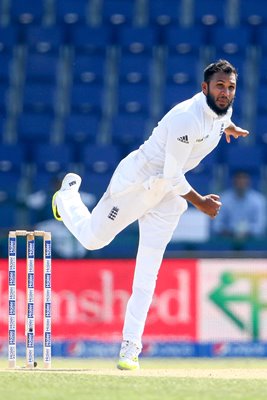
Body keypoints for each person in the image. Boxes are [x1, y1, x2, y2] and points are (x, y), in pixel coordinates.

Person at [52, 59, 249, 370]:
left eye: (230, 87)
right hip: (137, 183)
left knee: (147, 275)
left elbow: (216, 123)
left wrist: (230, 126)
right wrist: (201, 203)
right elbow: (172, 175)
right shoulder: (187, 118)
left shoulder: (223, 111)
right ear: (204, 88)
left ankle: (130, 347)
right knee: (92, 240)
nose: (225, 92)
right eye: (219, 87)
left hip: (167, 197)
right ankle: (66, 198)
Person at [213, 170, 267, 243]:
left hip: (251, 240)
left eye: (244, 180)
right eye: (239, 180)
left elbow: (260, 226)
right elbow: (217, 225)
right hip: (227, 239)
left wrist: (245, 232)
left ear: (249, 182)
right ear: (234, 182)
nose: (241, 183)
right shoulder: (223, 199)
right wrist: (230, 232)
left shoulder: (259, 200)